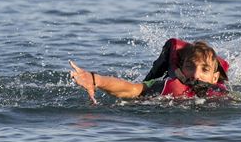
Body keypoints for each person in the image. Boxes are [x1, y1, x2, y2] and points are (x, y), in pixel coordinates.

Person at [69, 39, 229, 103]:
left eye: (204, 70)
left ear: (215, 78)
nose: (195, 74)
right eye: (190, 67)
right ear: (181, 68)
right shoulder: (162, 86)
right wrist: (95, 79)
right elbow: (131, 89)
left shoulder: (222, 95)